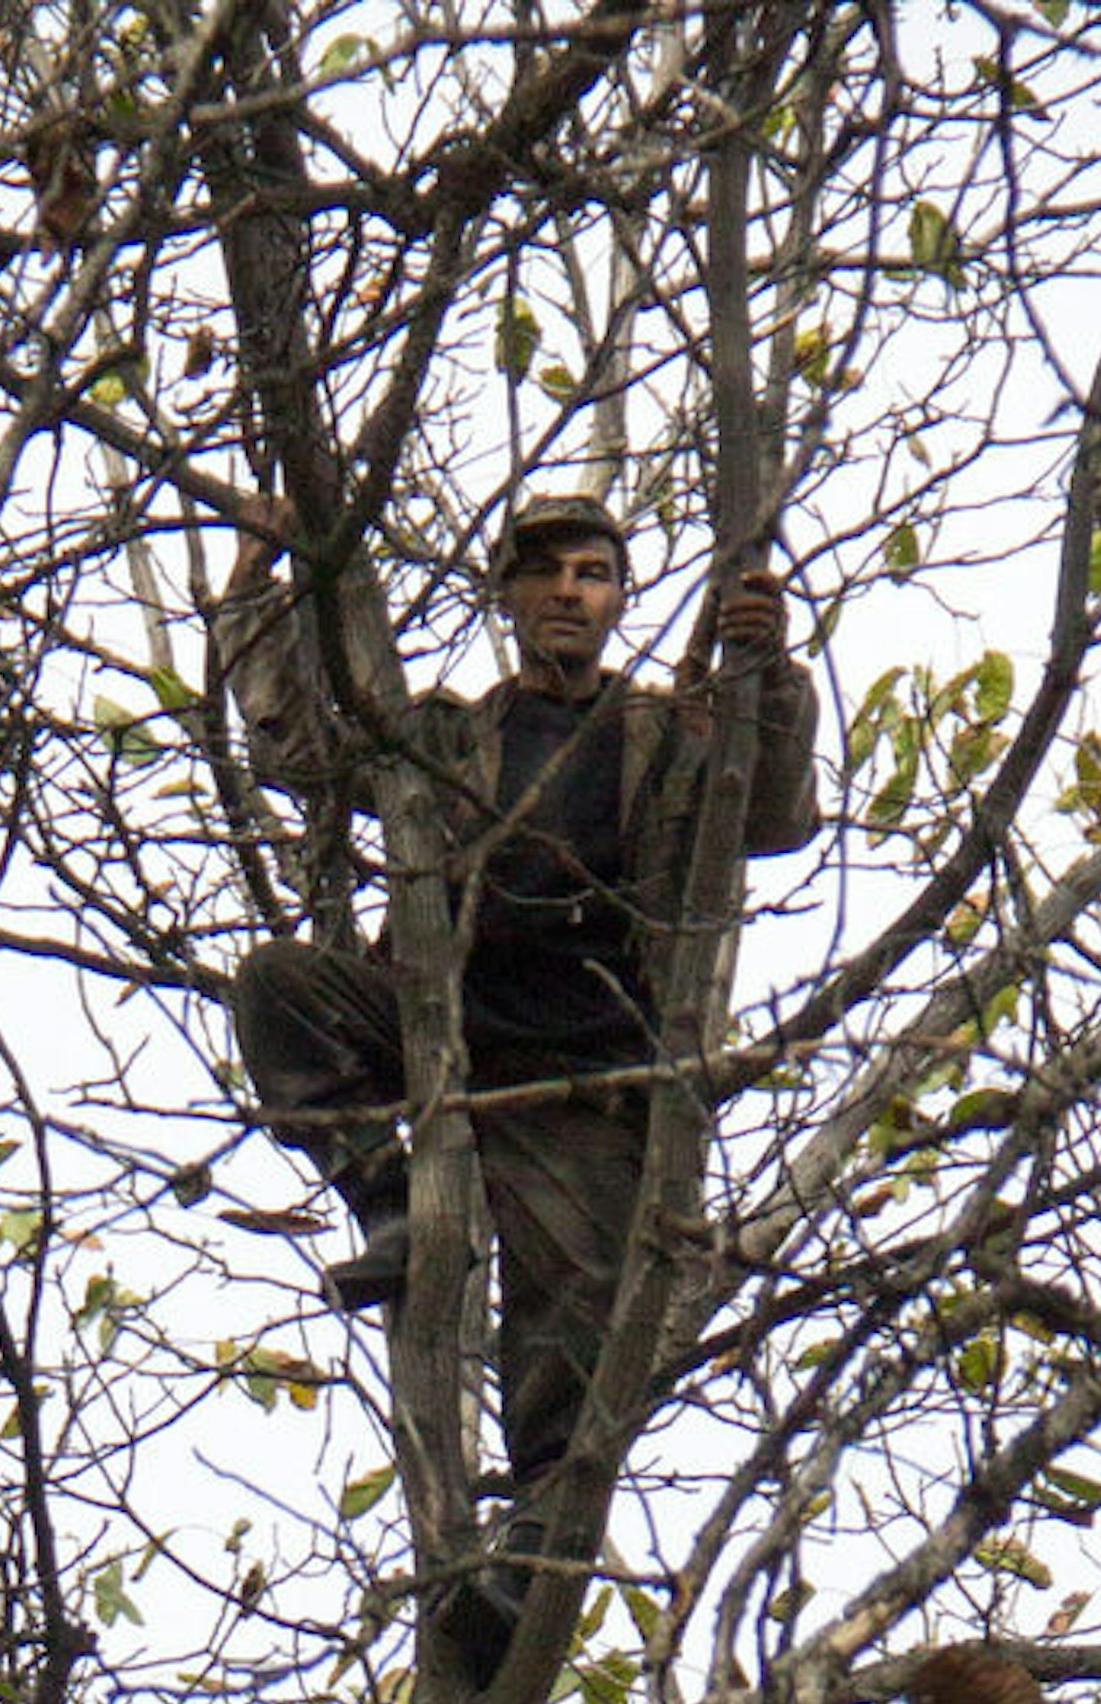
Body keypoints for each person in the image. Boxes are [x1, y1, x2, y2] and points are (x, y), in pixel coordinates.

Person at [219, 495, 824, 1484]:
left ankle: (527, 1557)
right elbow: (299, 749)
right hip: (443, 1024)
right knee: (279, 987)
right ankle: (385, 1200)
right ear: (506, 595)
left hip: (584, 1064)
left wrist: (771, 675)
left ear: (621, 600)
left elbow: (776, 814)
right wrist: (253, 592)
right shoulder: (452, 737)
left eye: (592, 573)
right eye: (544, 573)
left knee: (569, 1342)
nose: (567, 593)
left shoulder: (670, 734)